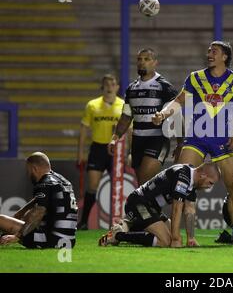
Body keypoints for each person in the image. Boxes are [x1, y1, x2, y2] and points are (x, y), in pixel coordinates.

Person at [152, 41, 233, 244]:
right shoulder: (195, 77)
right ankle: (179, 236)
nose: (209, 54)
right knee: (181, 182)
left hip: (223, 140)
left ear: (224, 57)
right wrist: (163, 113)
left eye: (214, 51)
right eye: (208, 50)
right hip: (196, 138)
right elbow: (179, 100)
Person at [98, 162, 220, 247]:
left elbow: (190, 210)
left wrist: (191, 238)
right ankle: (118, 235)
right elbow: (177, 209)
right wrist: (175, 239)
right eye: (210, 183)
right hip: (139, 203)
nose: (209, 187)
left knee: (174, 235)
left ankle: (129, 224)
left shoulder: (191, 179)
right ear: (203, 175)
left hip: (151, 208)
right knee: (166, 241)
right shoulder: (183, 176)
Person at [108, 48, 181, 186]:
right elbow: (126, 115)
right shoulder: (131, 89)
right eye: (139, 59)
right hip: (137, 141)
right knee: (143, 186)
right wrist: (115, 138)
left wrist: (180, 143)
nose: (142, 62)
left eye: (146, 59)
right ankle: (156, 205)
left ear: (155, 63)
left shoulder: (164, 87)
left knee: (144, 179)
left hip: (157, 139)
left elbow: (177, 114)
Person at [0, 152, 78, 248]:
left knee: (1, 220)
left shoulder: (44, 183)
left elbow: (39, 211)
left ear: (34, 169)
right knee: (26, 219)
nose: (28, 175)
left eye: (28, 171)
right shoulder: (62, 180)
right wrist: (19, 214)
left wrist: (17, 236)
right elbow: (38, 201)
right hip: (69, 240)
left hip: (50, 240)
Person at [77, 74, 124, 230]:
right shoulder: (92, 105)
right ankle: (84, 221)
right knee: (93, 186)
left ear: (117, 87)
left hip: (117, 150)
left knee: (118, 187)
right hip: (97, 148)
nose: (110, 86)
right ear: (102, 87)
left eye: (113, 83)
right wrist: (80, 153)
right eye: (106, 84)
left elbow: (129, 131)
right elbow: (84, 129)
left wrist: (128, 152)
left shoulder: (123, 105)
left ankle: (120, 223)